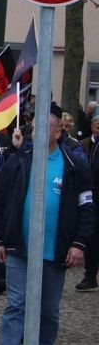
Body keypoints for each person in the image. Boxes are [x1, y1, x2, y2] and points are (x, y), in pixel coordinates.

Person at [0, 105, 94, 345]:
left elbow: (86, 208)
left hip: (55, 249)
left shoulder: (74, 165)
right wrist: (0, 237)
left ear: (58, 131)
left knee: (47, 307)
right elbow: (2, 199)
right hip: (19, 246)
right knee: (17, 303)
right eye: (33, 127)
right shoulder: (20, 159)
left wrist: (79, 243)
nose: (34, 131)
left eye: (41, 127)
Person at [78, 113, 99, 291]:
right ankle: (90, 275)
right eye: (96, 122)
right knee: (91, 238)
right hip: (90, 197)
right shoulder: (84, 144)